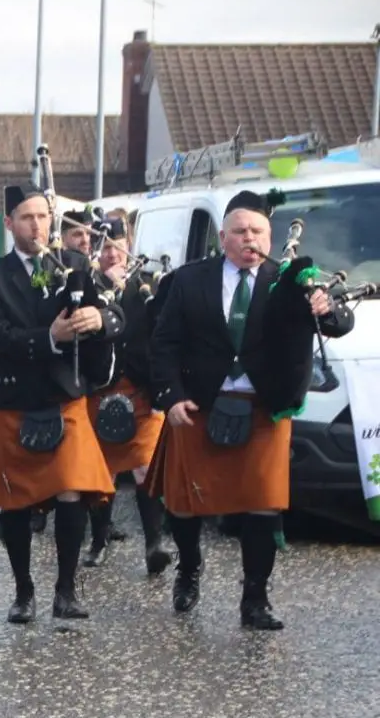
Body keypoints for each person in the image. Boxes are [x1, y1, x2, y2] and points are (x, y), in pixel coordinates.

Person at [147, 190, 354, 629]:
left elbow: (339, 324)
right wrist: (170, 396)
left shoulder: (290, 281)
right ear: (222, 236)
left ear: (269, 234)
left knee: (263, 504)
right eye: (240, 231)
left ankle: (255, 599)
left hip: (264, 407)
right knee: (185, 503)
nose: (249, 239)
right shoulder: (188, 281)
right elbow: (163, 344)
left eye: (257, 231)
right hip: (199, 403)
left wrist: (325, 307)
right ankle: (188, 569)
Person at [0, 183, 124, 623]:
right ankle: (23, 592)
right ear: (9, 223)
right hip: (15, 398)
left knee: (72, 490)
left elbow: (117, 314)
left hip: (64, 398)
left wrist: (101, 319)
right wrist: (49, 338)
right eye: (26, 218)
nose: (37, 225)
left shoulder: (74, 265)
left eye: (42, 216)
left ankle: (66, 590)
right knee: (16, 502)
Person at [82, 216, 172, 574]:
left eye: (116, 247)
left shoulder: (147, 285)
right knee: (98, 470)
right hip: (98, 388)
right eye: (104, 248)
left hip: (139, 388)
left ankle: (155, 543)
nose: (111, 255)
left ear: (128, 245)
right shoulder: (86, 287)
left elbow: (161, 332)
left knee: (145, 466)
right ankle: (99, 540)